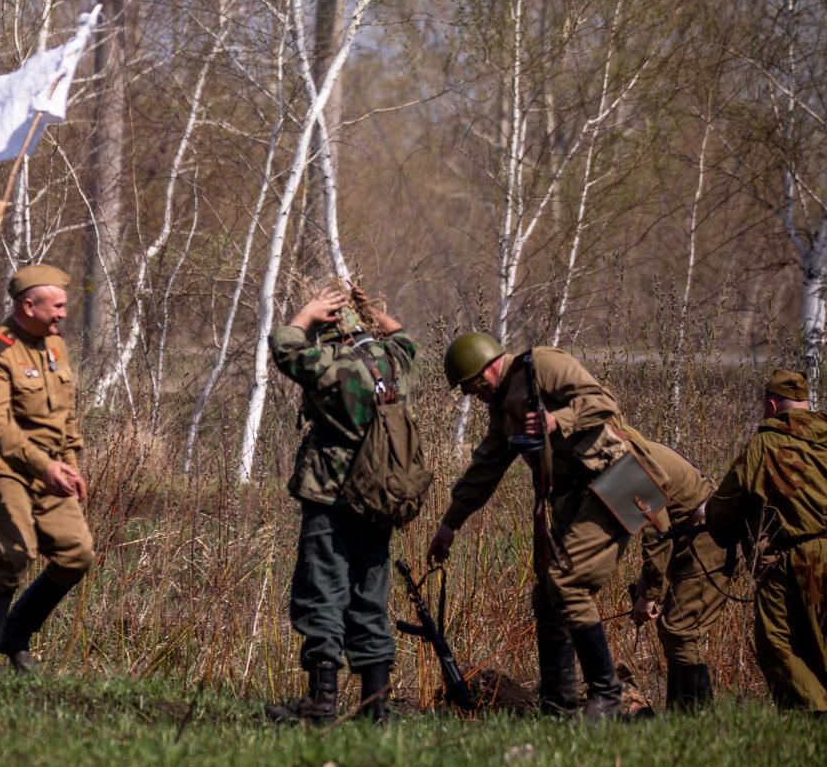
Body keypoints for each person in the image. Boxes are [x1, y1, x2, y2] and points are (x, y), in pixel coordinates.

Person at [427, 334, 691, 719]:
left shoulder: (543, 365)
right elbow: (484, 470)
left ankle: (606, 693)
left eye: (469, 386)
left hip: (614, 484)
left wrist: (556, 420)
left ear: (482, 370)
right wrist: (449, 525)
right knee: (548, 596)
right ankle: (558, 704)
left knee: (568, 583)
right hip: (573, 502)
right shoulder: (502, 411)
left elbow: (604, 404)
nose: (470, 394)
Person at [263, 285, 415, 724]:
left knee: (322, 593)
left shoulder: (330, 364)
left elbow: (284, 345)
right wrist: (370, 310)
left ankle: (321, 702)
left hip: (331, 494)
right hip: (380, 496)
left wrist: (308, 311)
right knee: (370, 596)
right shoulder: (395, 362)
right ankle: (377, 706)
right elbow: (404, 336)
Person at [705, 368, 827, 715]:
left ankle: (818, 712)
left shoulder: (766, 444)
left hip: (792, 557)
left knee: (776, 641)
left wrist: (720, 528)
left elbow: (728, 503)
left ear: (771, 405)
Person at [0, 265, 93, 674]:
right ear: (27, 305)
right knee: (13, 555)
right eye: (57, 306)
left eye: (65, 306)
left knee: (76, 554)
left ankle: (14, 635)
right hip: (2, 469)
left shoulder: (55, 346)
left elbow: (65, 416)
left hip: (50, 469)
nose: (64, 314)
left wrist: (69, 464)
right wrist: (45, 466)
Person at [628, 446, 733, 712]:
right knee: (674, 630)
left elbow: (657, 532)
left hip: (707, 538)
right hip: (693, 537)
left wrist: (647, 595)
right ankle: (679, 720)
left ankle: (697, 724)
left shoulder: (627, 462)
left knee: (681, 631)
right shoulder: (630, 449)